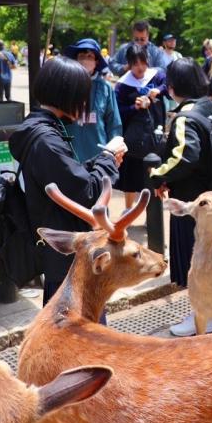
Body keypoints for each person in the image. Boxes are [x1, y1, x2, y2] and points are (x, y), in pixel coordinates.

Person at [9, 57, 125, 306]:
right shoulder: (47, 141)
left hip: (60, 249)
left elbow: (70, 177)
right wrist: (108, 158)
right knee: (75, 321)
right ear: (68, 96)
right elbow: (86, 193)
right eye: (82, 97)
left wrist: (101, 161)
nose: (84, 104)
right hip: (67, 255)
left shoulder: (41, 129)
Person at [148, 58, 212, 337]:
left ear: (173, 87)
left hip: (191, 203)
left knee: (194, 258)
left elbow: (185, 156)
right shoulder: (211, 106)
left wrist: (157, 174)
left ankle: (202, 316)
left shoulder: (184, 118)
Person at [114, 44, 167, 209]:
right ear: (129, 64)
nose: (140, 68)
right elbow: (117, 110)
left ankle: (153, 214)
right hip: (133, 138)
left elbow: (169, 86)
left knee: (154, 172)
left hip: (155, 132)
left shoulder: (157, 76)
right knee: (131, 174)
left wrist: (158, 90)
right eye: (135, 64)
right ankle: (128, 210)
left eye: (143, 62)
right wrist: (134, 107)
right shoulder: (122, 85)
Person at [64, 38, 122, 161]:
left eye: (90, 56)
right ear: (75, 60)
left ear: (96, 62)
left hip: (98, 157)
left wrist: (112, 153)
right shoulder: (64, 86)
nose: (85, 59)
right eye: (82, 56)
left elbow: (114, 124)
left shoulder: (105, 88)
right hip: (68, 156)